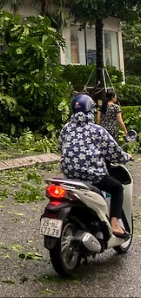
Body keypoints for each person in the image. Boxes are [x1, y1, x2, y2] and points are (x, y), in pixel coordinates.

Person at [60, 93, 131, 238]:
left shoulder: (66, 128)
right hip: (91, 176)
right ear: (90, 110)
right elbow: (114, 152)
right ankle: (115, 225)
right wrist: (126, 157)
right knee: (117, 188)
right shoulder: (97, 130)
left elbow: (60, 147)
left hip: (70, 176)